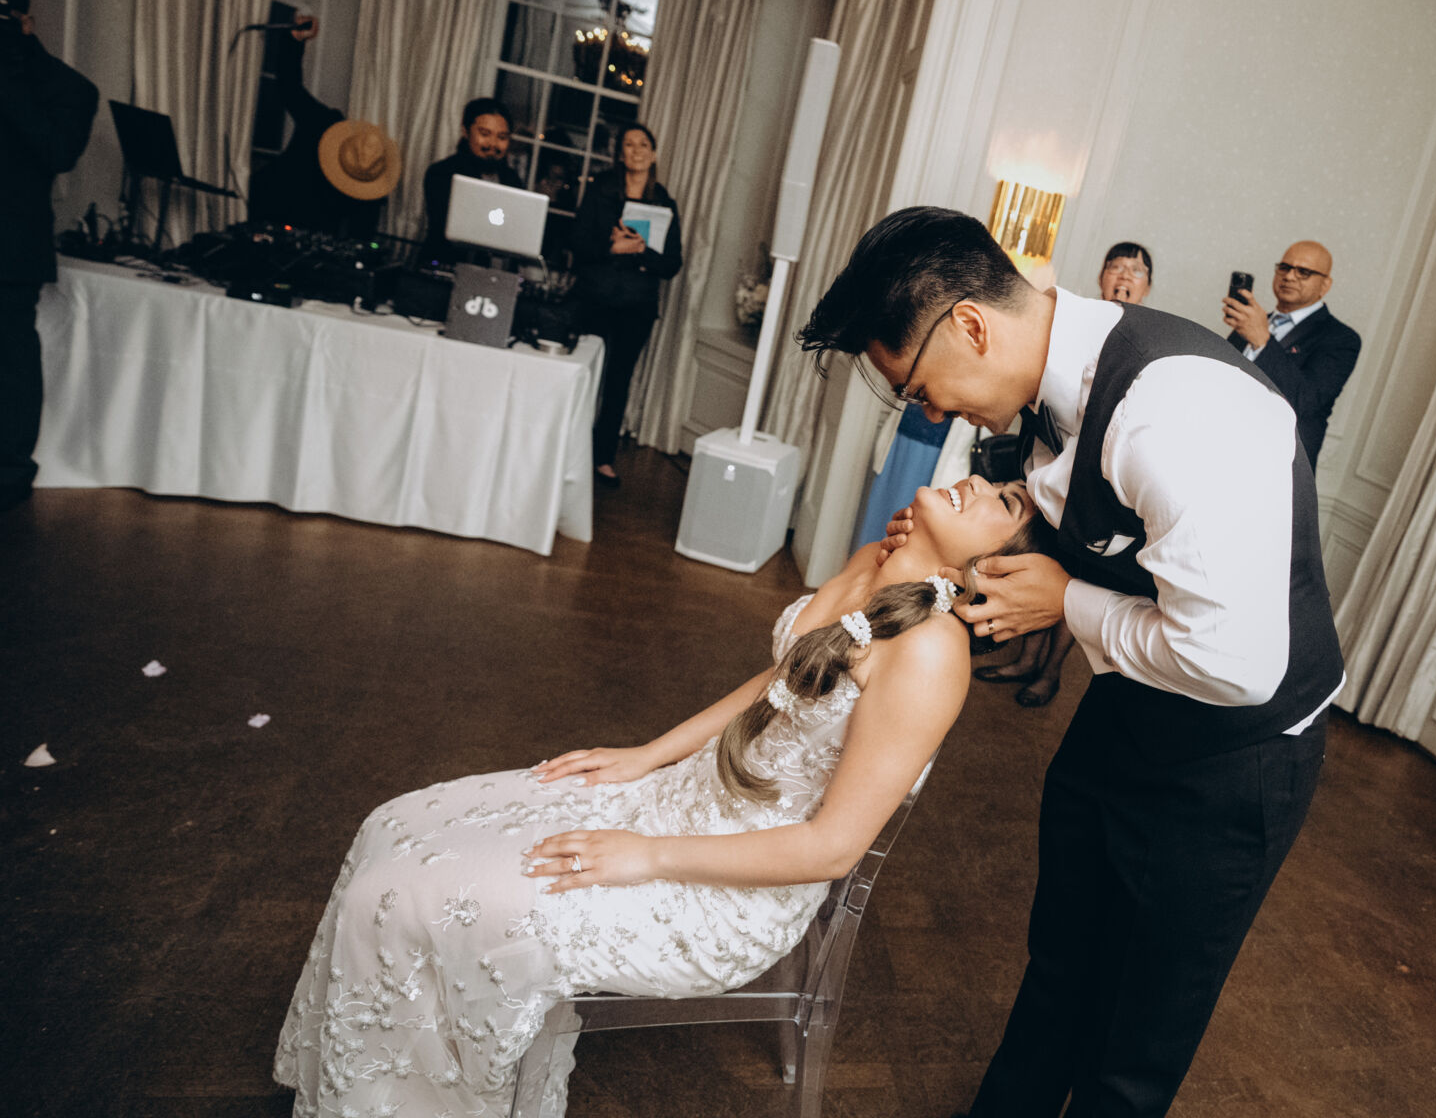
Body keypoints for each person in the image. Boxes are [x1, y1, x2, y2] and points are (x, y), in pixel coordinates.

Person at [275, 474, 1053, 1116]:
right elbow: (780, 682)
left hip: (727, 888)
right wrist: (647, 756)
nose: (978, 481)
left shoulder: (930, 655)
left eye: (1004, 502)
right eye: (995, 478)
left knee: (408, 898)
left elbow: (831, 849)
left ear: (997, 570)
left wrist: (646, 856)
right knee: (393, 826)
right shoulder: (871, 561)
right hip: (678, 798)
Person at [798, 207, 1345, 1117]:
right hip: (1128, 708)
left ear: (971, 326)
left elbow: (1235, 664)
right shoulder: (1052, 380)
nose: (930, 414)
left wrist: (1065, 602)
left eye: (922, 389)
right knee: (1057, 974)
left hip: (1234, 757)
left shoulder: (1175, 415)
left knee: (1133, 1046)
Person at [979, 240, 1158, 707]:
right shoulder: (1068, 329)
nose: (1124, 276)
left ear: (1147, 286)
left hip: (1097, 494)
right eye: (1115, 266)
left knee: (1077, 581)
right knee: (1040, 562)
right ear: (1101, 276)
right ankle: (1024, 660)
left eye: (1135, 271)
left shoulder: (1144, 348)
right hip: (1046, 475)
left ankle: (1050, 673)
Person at [0, 0, 98, 512]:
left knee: (10, 361)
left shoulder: (68, 88)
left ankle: (11, 471)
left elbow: (56, 153)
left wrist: (7, 75)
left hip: (10, 248)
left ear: (26, 22)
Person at [570, 122, 682, 489]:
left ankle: (602, 457)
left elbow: (673, 264)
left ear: (654, 154)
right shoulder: (600, 189)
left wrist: (641, 251)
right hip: (594, 297)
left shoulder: (664, 202)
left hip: (636, 305)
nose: (636, 151)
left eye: (643, 144)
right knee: (583, 373)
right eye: (629, 144)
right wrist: (611, 247)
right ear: (620, 154)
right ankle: (568, 449)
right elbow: (577, 245)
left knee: (618, 382)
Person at [249, 15, 399, 236]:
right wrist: (294, 40)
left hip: (313, 232)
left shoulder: (366, 189)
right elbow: (290, 87)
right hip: (266, 208)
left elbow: (361, 236)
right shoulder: (322, 122)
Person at [1221, 240, 1362, 470]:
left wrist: (1262, 341)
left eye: (1303, 272)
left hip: (1277, 464)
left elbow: (1306, 400)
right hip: (1223, 446)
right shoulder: (1252, 322)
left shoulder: (1342, 338)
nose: (1289, 276)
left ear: (1325, 285)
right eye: (1284, 268)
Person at [419, 96, 521, 265]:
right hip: (446, 266)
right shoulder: (442, 173)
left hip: (493, 274)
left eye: (502, 137)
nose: (493, 144)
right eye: (485, 134)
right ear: (465, 132)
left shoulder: (513, 180)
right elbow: (443, 227)